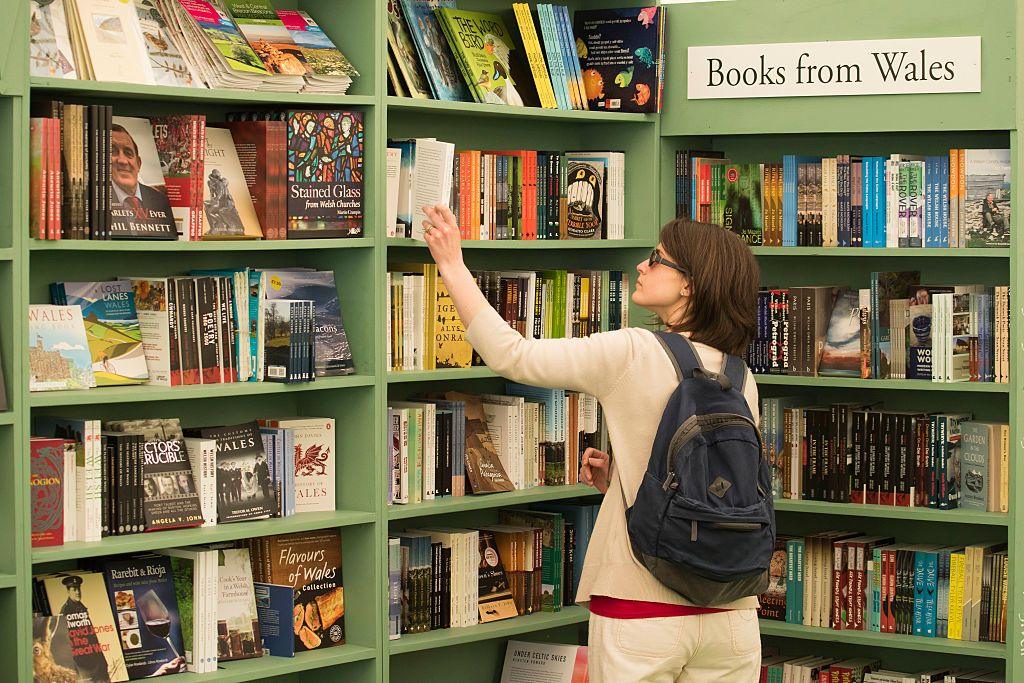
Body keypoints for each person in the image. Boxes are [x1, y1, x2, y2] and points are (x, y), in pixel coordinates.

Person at [422, 206, 762, 682]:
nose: (641, 267)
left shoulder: (633, 350)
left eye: (657, 259)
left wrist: (453, 266)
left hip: (642, 608)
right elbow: (716, 489)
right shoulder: (740, 376)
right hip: (735, 615)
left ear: (689, 284)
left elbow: (512, 354)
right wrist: (620, 483)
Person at [109, 124, 174, 227]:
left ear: (138, 163)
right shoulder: (96, 201)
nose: (122, 161)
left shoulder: (162, 201)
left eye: (128, 153)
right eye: (113, 151)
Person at [58, 575, 111, 682]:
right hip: (84, 665)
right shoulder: (66, 610)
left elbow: (92, 636)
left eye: (78, 588)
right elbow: (66, 642)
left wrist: (103, 660)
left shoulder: (81, 607)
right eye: (74, 589)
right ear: (68, 591)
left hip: (96, 660)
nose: (78, 592)